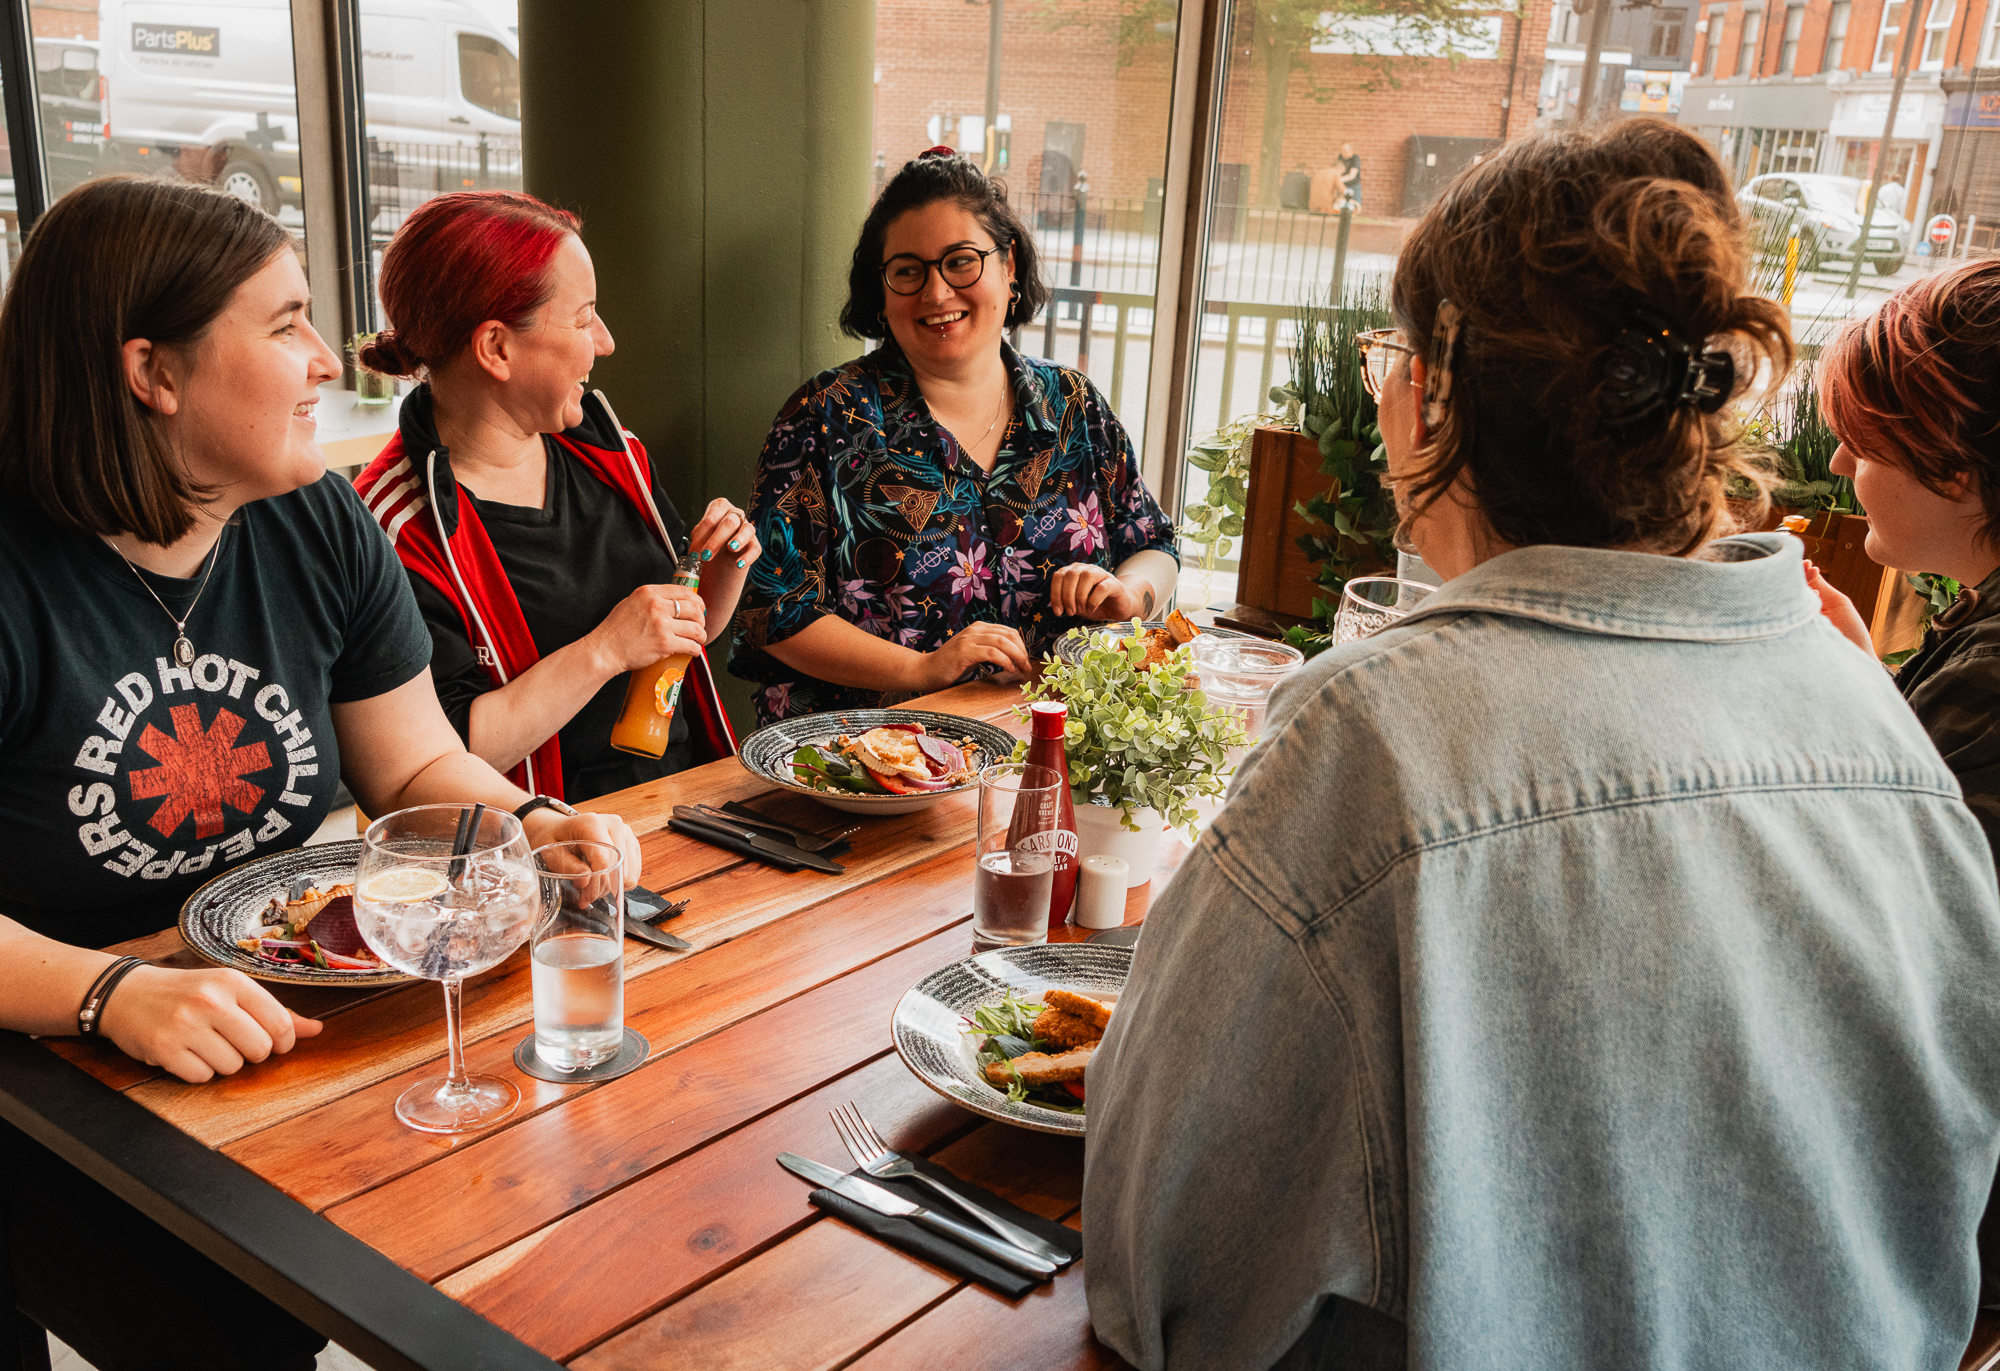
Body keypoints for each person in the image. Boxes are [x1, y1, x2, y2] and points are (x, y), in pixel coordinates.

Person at [1083, 118, 2000, 1370]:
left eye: (1392, 360)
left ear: (1438, 396)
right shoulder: (1880, 733)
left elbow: (1157, 1275)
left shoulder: (1372, 743)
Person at [0, 175, 639, 1368]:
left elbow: (410, 767)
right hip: (46, 1055)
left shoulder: (315, 523)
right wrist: (111, 994)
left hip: (281, 1028)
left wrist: (526, 821)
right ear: (155, 373)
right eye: (286, 324)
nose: (325, 363)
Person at [730, 149, 1178, 724]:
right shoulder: (825, 418)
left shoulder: (1073, 405)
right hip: (870, 764)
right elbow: (772, 611)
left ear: (1008, 264)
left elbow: (1155, 543)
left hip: (1058, 741)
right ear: (883, 290)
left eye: (961, 261)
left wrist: (1127, 594)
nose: (937, 294)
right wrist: (922, 669)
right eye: (909, 270)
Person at [354, 191, 756, 800]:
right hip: (537, 851)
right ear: (496, 348)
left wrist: (720, 572)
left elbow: (674, 639)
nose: (605, 340)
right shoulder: (394, 526)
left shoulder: (613, 452)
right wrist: (604, 650)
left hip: (676, 800)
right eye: (583, 316)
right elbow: (437, 758)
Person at [1806, 258, 2000, 855]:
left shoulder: (1988, 682)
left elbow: (1881, 877)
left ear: (1951, 466)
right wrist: (1862, 674)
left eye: (1862, 446)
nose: (1838, 463)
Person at [1336, 141, 1362, 213]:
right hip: (1343, 186)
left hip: (1354, 186)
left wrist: (1338, 180)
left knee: (1355, 207)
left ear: (1351, 150)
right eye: (1342, 151)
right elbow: (1337, 171)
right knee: (1341, 206)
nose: (1343, 153)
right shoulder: (1340, 158)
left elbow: (1352, 175)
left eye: (1345, 151)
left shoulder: (1355, 158)